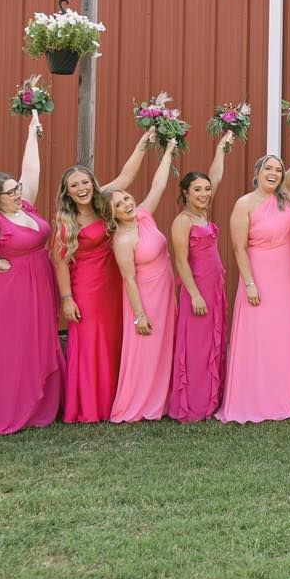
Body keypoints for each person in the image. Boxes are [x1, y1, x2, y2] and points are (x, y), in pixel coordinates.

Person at [218, 113, 290, 423]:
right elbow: (239, 247)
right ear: (257, 172)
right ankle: (254, 398)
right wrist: (250, 283)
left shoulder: (286, 196)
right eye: (268, 168)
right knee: (260, 338)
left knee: (285, 338)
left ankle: (284, 395)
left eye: (278, 169)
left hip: (288, 277)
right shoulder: (245, 204)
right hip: (260, 277)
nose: (275, 173)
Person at [0, 113, 65, 435]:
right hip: (12, 288)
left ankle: (40, 405)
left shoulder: (26, 208)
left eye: (16, 189)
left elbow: (31, 169)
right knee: (15, 345)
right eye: (10, 192)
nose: (18, 193)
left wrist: (32, 132)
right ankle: (13, 406)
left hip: (39, 282)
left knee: (38, 340)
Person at [52, 130, 158, 424]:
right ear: (67, 192)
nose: (82, 188)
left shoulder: (103, 202)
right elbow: (60, 264)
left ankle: (117, 400)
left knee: (114, 339)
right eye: (75, 185)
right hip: (85, 288)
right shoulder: (65, 221)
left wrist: (142, 143)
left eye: (85, 182)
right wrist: (66, 299)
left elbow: (127, 175)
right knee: (90, 344)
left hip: (114, 282)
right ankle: (88, 406)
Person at [107, 142, 180, 423]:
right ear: (111, 213)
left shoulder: (144, 217)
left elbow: (158, 186)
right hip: (144, 297)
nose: (127, 204)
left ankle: (163, 400)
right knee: (147, 349)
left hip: (164, 292)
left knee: (165, 346)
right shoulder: (122, 240)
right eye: (119, 204)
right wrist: (139, 315)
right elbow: (128, 279)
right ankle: (139, 402)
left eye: (126, 199)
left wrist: (169, 152)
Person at [167, 133, 233, 422]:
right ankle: (194, 405)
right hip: (197, 290)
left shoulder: (203, 214)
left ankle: (211, 399)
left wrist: (221, 148)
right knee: (196, 347)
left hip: (214, 288)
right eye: (198, 190)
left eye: (206, 189)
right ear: (185, 193)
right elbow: (180, 261)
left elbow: (216, 177)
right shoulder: (182, 221)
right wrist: (193, 294)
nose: (205, 193)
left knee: (213, 343)